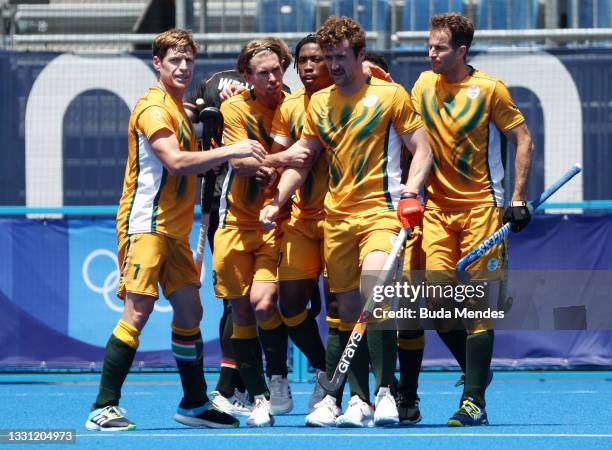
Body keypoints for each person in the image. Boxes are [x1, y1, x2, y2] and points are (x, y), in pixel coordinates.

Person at [84, 29, 267, 431]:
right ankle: (103, 407)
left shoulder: (179, 108)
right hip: (145, 225)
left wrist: (212, 155)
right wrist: (231, 150)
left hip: (175, 230)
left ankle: (195, 404)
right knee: (138, 310)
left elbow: (194, 159)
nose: (183, 67)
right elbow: (175, 162)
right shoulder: (153, 108)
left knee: (190, 310)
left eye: (188, 61)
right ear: (157, 63)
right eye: (174, 61)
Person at [260, 16, 432, 428]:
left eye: (340, 57)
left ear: (360, 56)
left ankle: (386, 393)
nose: (333, 65)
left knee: (376, 293)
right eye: (329, 57)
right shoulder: (319, 103)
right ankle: (356, 400)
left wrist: (411, 192)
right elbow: (303, 159)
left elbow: (422, 149)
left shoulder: (391, 95)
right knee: (346, 311)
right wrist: (276, 201)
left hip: (381, 213)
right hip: (337, 219)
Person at [408, 13, 534, 426]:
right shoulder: (423, 84)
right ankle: (476, 367)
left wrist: (516, 198)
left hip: (482, 209)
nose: (431, 54)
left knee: (480, 307)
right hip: (438, 212)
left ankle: (473, 399)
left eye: (440, 48)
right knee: (438, 304)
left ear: (461, 51)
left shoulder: (489, 89)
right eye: (429, 46)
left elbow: (523, 138)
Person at [213, 37, 293, 427]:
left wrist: (275, 163)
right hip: (233, 224)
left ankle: (279, 379)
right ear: (247, 76)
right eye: (264, 73)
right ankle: (257, 396)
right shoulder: (233, 109)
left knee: (264, 305)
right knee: (240, 310)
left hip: (275, 224)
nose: (274, 78)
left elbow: (298, 159)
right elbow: (243, 164)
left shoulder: (293, 105)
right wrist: (280, 159)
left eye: (278, 70)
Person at [184, 70, 253, 418]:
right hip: (223, 205)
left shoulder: (282, 91)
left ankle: (256, 382)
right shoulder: (211, 84)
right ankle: (230, 386)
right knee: (234, 299)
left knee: (269, 301)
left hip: (271, 207)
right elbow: (192, 128)